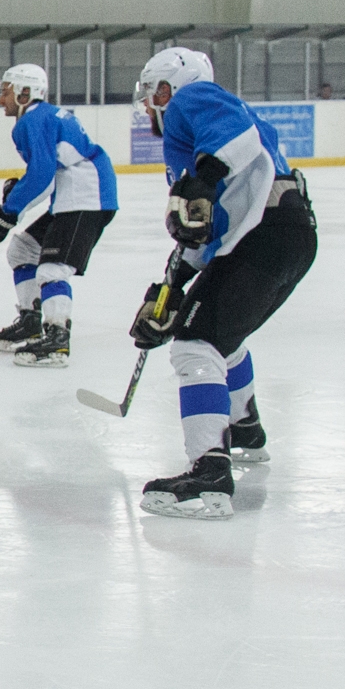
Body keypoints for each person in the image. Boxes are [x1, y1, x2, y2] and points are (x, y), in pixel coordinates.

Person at [127, 47, 316, 520]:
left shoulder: (193, 101)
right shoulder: (203, 138)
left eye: (153, 92)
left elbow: (236, 138)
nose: (149, 104)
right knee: (221, 335)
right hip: (283, 234)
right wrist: (172, 288)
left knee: (196, 344)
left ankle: (209, 473)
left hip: (265, 236)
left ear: (171, 87)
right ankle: (245, 428)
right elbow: (206, 231)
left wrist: (204, 180)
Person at [0, 63, 118, 367]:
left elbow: (42, 175)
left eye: (6, 91)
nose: (1, 98)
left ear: (25, 93)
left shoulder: (32, 120)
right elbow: (45, 174)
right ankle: (31, 321)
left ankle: (57, 340)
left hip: (86, 197)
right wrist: (14, 202)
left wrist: (7, 212)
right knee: (23, 249)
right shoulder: (43, 116)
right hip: (76, 196)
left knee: (52, 269)